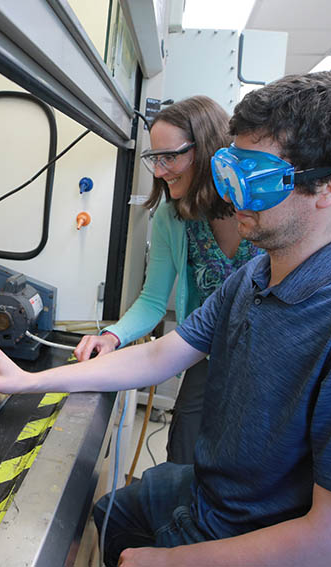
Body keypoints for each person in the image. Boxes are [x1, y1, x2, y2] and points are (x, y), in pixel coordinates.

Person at [0, 71, 331, 567]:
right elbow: (163, 353)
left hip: (257, 539)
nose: (229, 193)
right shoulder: (255, 275)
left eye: (253, 177)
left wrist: (167, 562)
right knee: (111, 515)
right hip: (211, 499)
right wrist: (28, 380)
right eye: (230, 167)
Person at [74, 96, 260, 464]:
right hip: (205, 358)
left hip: (263, 364)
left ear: (206, 151)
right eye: (154, 159)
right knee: (183, 457)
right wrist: (112, 336)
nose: (159, 171)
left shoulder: (260, 209)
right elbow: (153, 300)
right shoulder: (173, 218)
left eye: (169, 157)